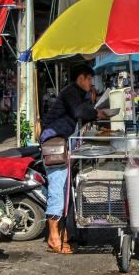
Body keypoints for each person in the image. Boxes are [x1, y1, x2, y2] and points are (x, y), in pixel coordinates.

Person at [41, 64, 107, 254]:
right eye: (90, 79)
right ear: (81, 78)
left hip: (64, 143)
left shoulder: (78, 93)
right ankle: (53, 238)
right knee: (57, 190)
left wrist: (93, 106)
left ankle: (62, 233)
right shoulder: (70, 92)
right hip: (54, 144)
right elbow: (79, 113)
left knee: (65, 189)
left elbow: (82, 113)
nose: (91, 82)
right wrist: (96, 113)